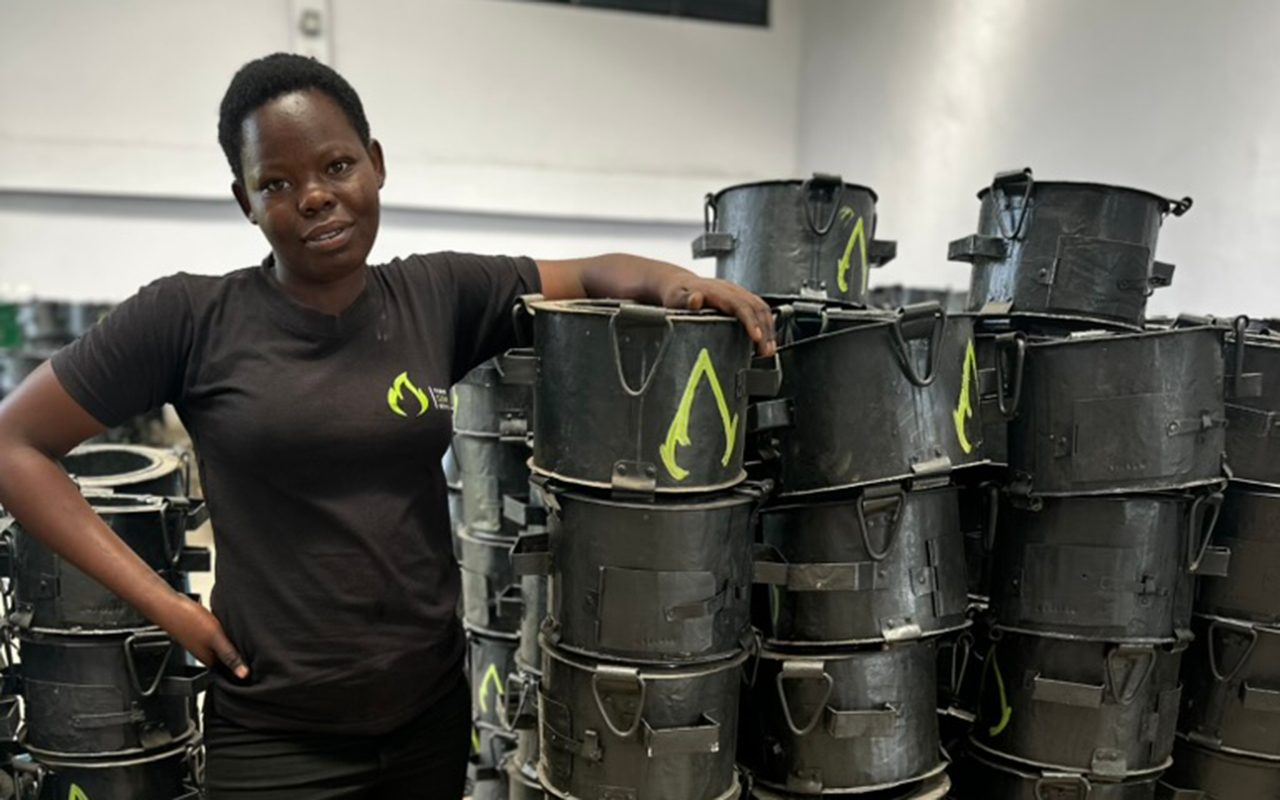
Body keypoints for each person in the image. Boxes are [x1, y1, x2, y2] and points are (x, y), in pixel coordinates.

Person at [0, 53, 775, 799]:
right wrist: (168, 606)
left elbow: (593, 272)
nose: (314, 197)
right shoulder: (190, 318)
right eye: (277, 182)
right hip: (275, 732)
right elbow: (15, 446)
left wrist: (685, 284)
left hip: (427, 716)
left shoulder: (438, 294)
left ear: (374, 162)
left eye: (336, 167)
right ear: (245, 200)